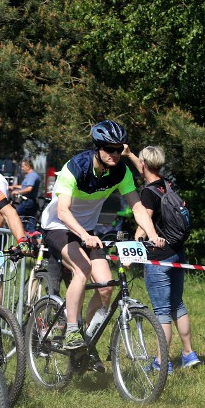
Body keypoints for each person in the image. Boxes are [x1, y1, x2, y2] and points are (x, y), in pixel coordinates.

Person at [40, 120, 164, 350]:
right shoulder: (75, 167)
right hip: (58, 225)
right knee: (83, 269)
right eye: (109, 149)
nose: (115, 154)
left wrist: (153, 234)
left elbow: (137, 207)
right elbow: (62, 210)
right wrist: (83, 235)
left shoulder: (121, 172)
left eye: (119, 149)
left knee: (106, 287)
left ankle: (87, 343)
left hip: (87, 231)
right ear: (97, 147)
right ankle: (71, 331)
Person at [127, 145, 200, 370]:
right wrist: (130, 154)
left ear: (143, 165)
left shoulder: (148, 193)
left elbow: (143, 224)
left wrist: (132, 250)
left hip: (159, 257)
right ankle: (189, 354)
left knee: (161, 311)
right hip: (178, 252)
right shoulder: (168, 184)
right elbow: (145, 167)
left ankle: (161, 362)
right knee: (177, 304)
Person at [12, 158, 42, 230]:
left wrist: (18, 192)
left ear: (28, 166)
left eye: (23, 166)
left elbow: (29, 188)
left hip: (28, 201)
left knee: (14, 214)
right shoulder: (30, 175)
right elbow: (24, 186)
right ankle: (31, 239)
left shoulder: (32, 176)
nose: (22, 168)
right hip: (30, 202)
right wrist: (13, 187)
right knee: (30, 225)